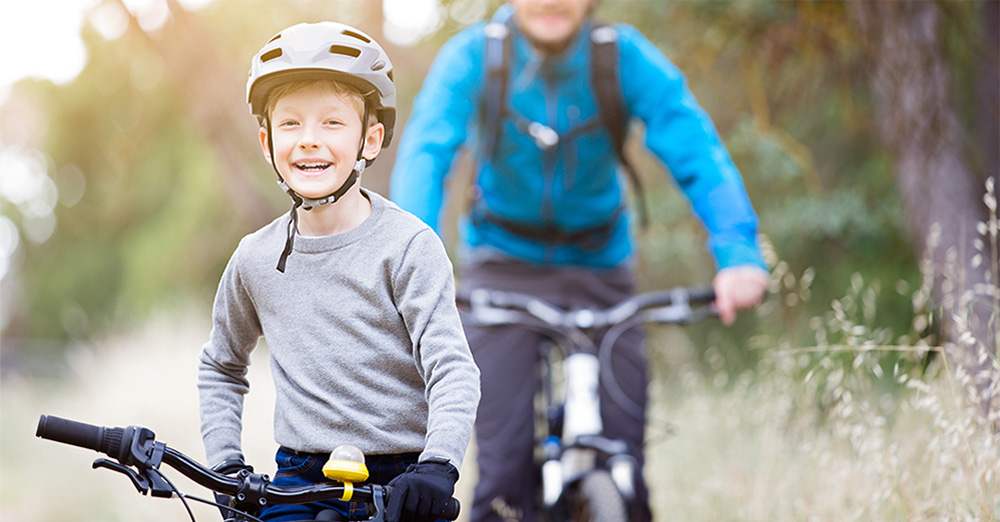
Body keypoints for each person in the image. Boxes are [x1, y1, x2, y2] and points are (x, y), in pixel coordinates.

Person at [388, 1, 769, 522]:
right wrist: (416, 268)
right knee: (503, 478)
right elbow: (427, 153)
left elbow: (695, 148)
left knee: (626, 470)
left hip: (601, 268)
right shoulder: (476, 57)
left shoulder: (623, 58)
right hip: (503, 265)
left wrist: (738, 252)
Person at [197, 21, 481, 522]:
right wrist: (227, 466)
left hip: (402, 479)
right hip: (299, 479)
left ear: (369, 139)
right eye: (290, 124)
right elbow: (221, 366)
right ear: (266, 142)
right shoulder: (254, 259)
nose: (309, 140)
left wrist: (440, 463)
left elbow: (452, 368)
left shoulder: (409, 246)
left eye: (332, 122)